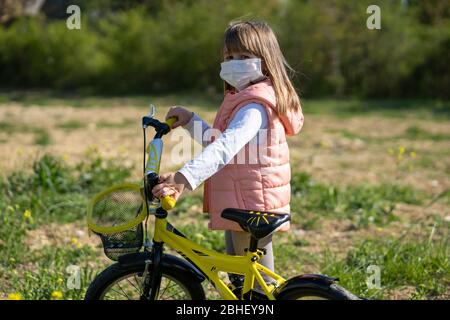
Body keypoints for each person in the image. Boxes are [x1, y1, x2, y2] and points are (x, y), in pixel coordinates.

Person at [152, 20, 304, 288]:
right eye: (229, 57)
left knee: (258, 285)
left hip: (252, 204)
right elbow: (219, 142)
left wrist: (182, 179)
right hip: (239, 201)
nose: (234, 62)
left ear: (265, 60)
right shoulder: (241, 98)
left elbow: (224, 149)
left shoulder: (254, 107)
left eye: (243, 57)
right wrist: (190, 121)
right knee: (240, 278)